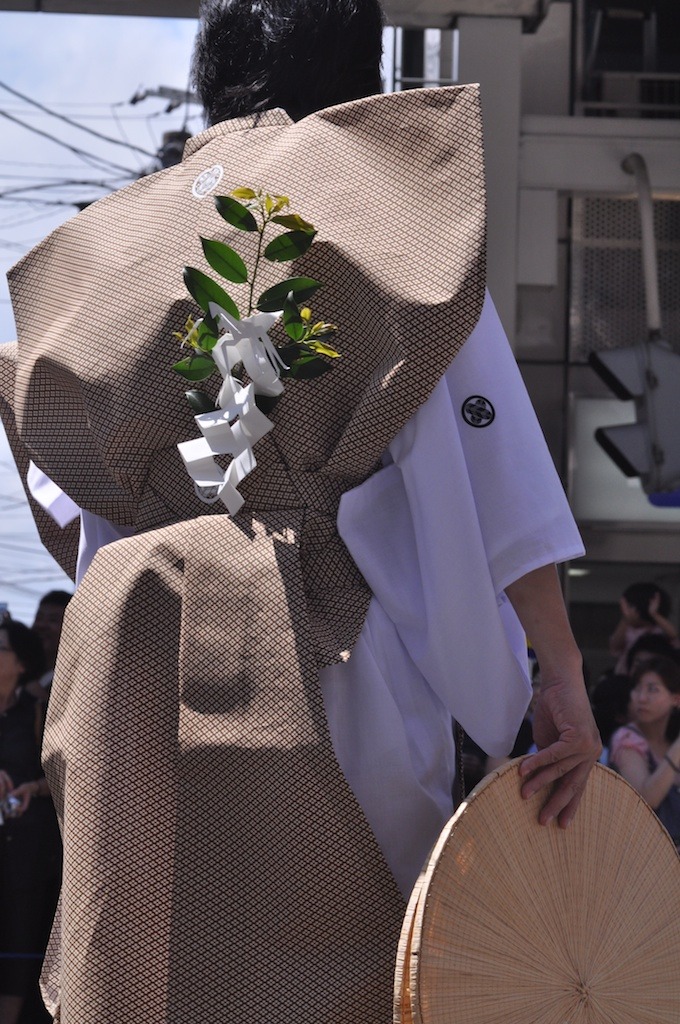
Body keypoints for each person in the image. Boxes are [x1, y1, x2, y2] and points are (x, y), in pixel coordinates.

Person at [0, 2, 600, 1022]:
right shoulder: (386, 218)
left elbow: (63, 498)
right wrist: (557, 670)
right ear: (358, 76)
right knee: (342, 952)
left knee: (153, 951)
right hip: (323, 646)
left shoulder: (112, 244)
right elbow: (477, 455)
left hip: (133, 655)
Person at [0, 621, 61, 1024]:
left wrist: (32, 789)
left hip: (26, 846)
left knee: (20, 934)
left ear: (21, 662)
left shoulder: (38, 710)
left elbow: (61, 775)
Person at [609, 656, 680, 848]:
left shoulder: (670, 742)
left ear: (676, 699)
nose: (641, 698)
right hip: (641, 860)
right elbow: (647, 799)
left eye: (652, 689)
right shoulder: (627, 738)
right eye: (638, 688)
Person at [609, 581, 679, 675]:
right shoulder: (628, 628)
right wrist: (626, 619)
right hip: (626, 676)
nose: (626, 611)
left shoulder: (659, 629)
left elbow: (674, 635)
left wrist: (654, 614)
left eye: (630, 607)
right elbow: (615, 646)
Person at [25, 591, 71, 702]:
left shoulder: (74, 681)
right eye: (39, 618)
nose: (41, 625)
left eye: (53, 620)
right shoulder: (21, 672)